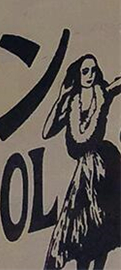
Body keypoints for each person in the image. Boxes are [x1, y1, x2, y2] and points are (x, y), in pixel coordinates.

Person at [42, 55, 121, 270]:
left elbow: (117, 85)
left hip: (105, 166)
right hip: (85, 172)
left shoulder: (102, 93)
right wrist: (61, 97)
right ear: (77, 74)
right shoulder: (72, 102)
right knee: (81, 228)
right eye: (85, 71)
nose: (90, 75)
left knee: (104, 225)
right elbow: (47, 131)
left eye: (93, 70)